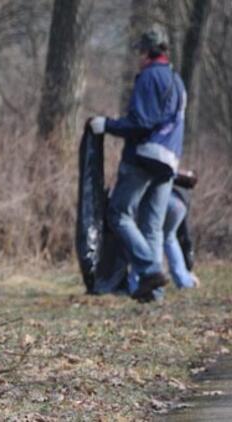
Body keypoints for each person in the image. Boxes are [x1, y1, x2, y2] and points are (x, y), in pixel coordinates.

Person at [89, 25, 187, 302]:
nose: (138, 58)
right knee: (152, 227)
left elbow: (141, 123)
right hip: (169, 162)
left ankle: (150, 269)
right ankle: (152, 291)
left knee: (119, 213)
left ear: (146, 52)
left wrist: (106, 124)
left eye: (140, 52)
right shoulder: (177, 81)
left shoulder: (148, 78)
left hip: (144, 157)